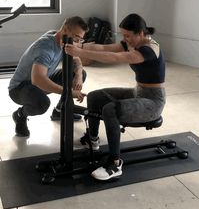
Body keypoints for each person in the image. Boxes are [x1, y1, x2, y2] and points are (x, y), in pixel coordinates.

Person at [65, 13, 166, 181]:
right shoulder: (133, 43)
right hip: (138, 92)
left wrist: (79, 52)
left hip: (153, 102)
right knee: (95, 97)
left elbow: (115, 57)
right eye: (123, 35)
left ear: (140, 33)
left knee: (110, 110)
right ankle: (93, 139)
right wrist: (81, 47)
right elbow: (106, 49)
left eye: (128, 35)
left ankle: (115, 163)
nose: (125, 39)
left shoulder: (150, 49)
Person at [9, 16, 88, 137]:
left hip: (41, 79)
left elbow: (76, 58)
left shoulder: (59, 37)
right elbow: (38, 80)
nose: (77, 42)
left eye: (80, 39)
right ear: (65, 30)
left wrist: (78, 75)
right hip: (20, 88)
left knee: (80, 73)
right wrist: (68, 92)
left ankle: (59, 111)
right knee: (42, 104)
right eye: (76, 37)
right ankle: (20, 115)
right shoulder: (45, 48)